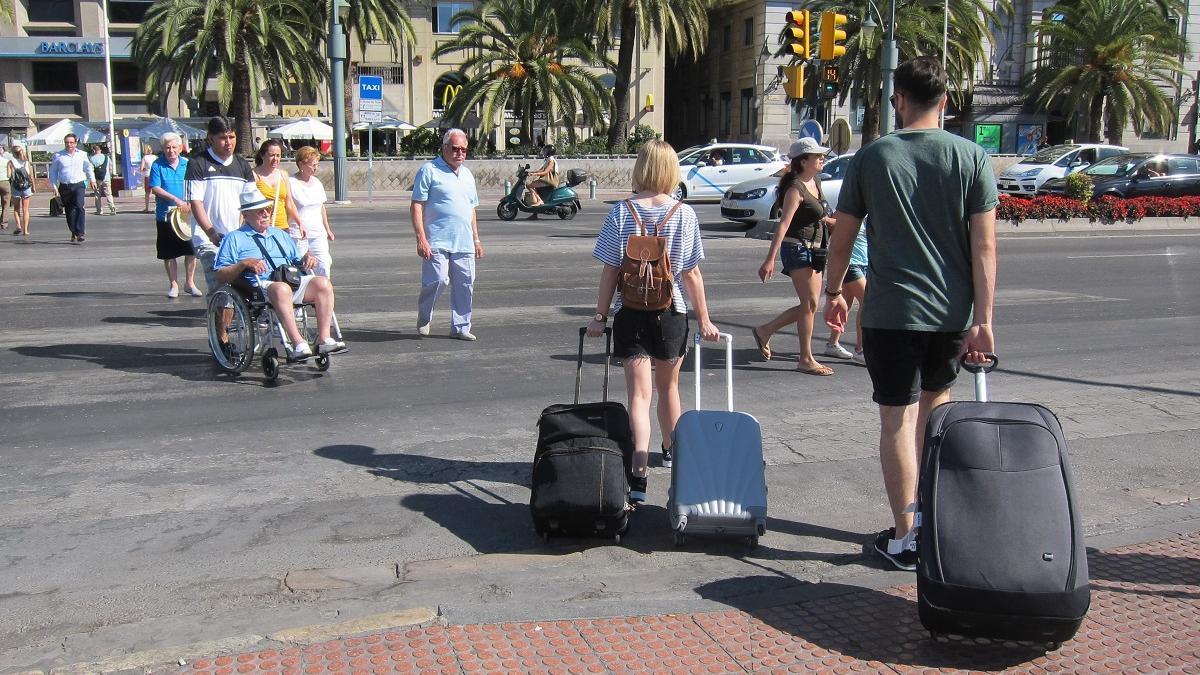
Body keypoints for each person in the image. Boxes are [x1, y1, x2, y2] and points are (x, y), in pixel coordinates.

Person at [823, 56, 998, 572]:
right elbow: (984, 248)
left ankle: (906, 535)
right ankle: (935, 522)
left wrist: (834, 291)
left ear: (898, 100)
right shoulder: (971, 158)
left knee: (895, 420)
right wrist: (983, 318)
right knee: (936, 413)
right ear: (944, 102)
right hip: (950, 314)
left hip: (890, 312)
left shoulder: (873, 157)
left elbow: (843, 236)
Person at [586, 139, 720, 503]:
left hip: (631, 314)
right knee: (669, 389)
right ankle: (676, 459)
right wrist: (704, 319)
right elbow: (691, 274)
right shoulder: (684, 214)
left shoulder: (619, 213)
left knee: (638, 396)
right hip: (671, 313)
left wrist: (600, 316)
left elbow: (610, 270)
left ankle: (639, 474)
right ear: (671, 170)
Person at [213, 184, 346, 359]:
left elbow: (297, 259)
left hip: (291, 278)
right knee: (281, 288)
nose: (266, 214)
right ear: (245, 215)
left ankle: (324, 339)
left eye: (267, 209)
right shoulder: (234, 238)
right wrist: (244, 263)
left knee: (323, 283)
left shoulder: (280, 234)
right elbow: (220, 274)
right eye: (259, 211)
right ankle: (298, 343)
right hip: (262, 286)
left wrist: (308, 257)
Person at [750, 137, 837, 376]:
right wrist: (770, 259)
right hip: (797, 248)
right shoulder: (795, 188)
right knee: (809, 304)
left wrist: (837, 223)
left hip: (816, 249)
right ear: (803, 161)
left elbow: (818, 217)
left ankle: (765, 330)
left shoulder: (814, 182)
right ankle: (805, 358)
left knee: (810, 305)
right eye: (817, 156)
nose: (822, 158)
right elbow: (783, 225)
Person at [410, 128, 483, 341]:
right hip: (437, 239)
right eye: (455, 149)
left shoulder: (467, 174)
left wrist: (476, 239)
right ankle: (425, 315)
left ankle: (460, 327)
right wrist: (421, 239)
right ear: (444, 148)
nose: (460, 153)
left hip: (464, 240)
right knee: (438, 280)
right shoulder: (429, 170)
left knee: (465, 284)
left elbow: (471, 208)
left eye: (464, 150)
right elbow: (416, 206)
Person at [187, 116, 255, 295]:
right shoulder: (198, 163)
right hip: (209, 240)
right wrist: (211, 233)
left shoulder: (242, 165)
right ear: (211, 138)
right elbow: (196, 203)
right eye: (223, 138)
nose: (228, 142)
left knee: (245, 288)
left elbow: (251, 202)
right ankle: (218, 323)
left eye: (232, 137)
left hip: (236, 239)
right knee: (221, 290)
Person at [149, 132, 200, 298]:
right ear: (163, 149)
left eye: (174, 147)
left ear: (180, 148)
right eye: (167, 148)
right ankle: (173, 284)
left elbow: (195, 185)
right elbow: (155, 187)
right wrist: (175, 199)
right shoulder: (157, 165)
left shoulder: (188, 164)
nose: (171, 151)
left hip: (186, 213)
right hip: (166, 214)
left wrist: (192, 202)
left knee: (191, 250)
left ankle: (189, 283)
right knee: (169, 252)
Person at [824, 223, 869, 362]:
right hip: (850, 263)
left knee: (846, 303)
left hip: (863, 262)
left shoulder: (866, 213)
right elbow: (835, 223)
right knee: (866, 301)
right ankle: (861, 349)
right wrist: (824, 218)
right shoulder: (848, 210)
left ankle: (832, 344)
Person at [288, 146, 334, 277]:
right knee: (304, 268)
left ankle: (323, 294)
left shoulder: (317, 183)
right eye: (312, 165)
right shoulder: (291, 183)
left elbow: (321, 207)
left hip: (318, 233)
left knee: (324, 265)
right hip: (299, 234)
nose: (315, 168)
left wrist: (328, 229)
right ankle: (305, 295)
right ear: (301, 164)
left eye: (317, 165)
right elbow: (288, 207)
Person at [48, 132, 97, 243]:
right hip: (65, 185)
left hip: (79, 184)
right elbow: (53, 172)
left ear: (75, 143)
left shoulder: (82, 154)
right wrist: (54, 186)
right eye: (67, 142)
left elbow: (89, 168)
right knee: (70, 211)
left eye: (71, 142)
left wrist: (92, 180)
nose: (69, 145)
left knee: (79, 206)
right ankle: (73, 231)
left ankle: (80, 233)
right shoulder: (58, 156)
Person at [253, 139, 303, 236]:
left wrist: (300, 223)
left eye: (278, 155)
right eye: (272, 155)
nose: (275, 159)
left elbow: (289, 202)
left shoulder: (283, 175)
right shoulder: (254, 175)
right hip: (260, 228)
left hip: (282, 228)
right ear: (262, 155)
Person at [7, 145, 33, 237]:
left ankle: (18, 226)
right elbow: (30, 175)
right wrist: (33, 186)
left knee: (16, 209)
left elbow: (9, 176)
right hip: (26, 187)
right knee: (25, 209)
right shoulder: (26, 162)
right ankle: (25, 230)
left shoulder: (10, 162)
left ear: (13, 153)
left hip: (16, 187)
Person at [90, 144, 117, 216]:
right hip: (107, 178)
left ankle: (99, 210)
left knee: (97, 194)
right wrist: (110, 174)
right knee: (109, 193)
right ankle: (112, 207)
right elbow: (111, 167)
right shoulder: (106, 157)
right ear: (100, 150)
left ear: (94, 150)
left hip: (97, 179)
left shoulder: (92, 159)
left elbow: (91, 170)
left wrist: (91, 179)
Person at [140, 143, 158, 213]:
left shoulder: (145, 158)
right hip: (155, 175)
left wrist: (145, 169)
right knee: (157, 192)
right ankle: (156, 208)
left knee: (147, 193)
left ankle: (147, 208)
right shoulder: (155, 157)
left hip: (147, 175)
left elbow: (141, 168)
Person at [0, 144, 11, 230]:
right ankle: (4, 223)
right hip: (4, 182)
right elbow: (9, 174)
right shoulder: (6, 161)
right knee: (6, 203)